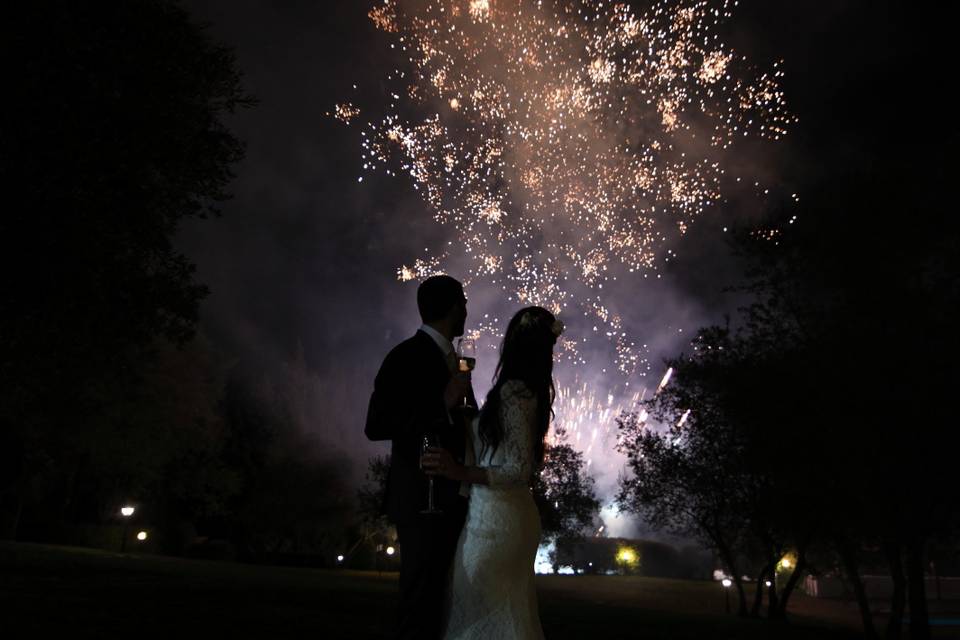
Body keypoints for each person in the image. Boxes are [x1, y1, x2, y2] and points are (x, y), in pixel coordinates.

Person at [422, 305, 562, 640]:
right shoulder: (531, 392)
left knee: (477, 618)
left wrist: (460, 472)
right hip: (507, 519)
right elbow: (502, 445)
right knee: (507, 618)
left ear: (513, 342)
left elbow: (519, 469)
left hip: (497, 525)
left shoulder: (514, 393)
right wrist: (466, 412)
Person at [364, 274, 475, 640]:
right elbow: (377, 423)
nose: (467, 309)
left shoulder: (454, 360)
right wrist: (441, 404)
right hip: (421, 497)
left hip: (450, 494)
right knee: (419, 600)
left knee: (437, 601)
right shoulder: (407, 356)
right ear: (451, 307)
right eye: (463, 301)